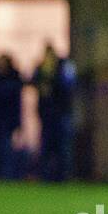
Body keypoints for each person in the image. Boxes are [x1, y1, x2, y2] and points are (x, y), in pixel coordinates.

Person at [33, 43, 76, 183]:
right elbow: (32, 82)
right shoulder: (41, 69)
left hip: (62, 113)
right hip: (46, 114)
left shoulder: (65, 67)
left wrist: (52, 80)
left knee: (63, 147)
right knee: (46, 147)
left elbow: (69, 86)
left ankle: (63, 176)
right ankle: (45, 177)